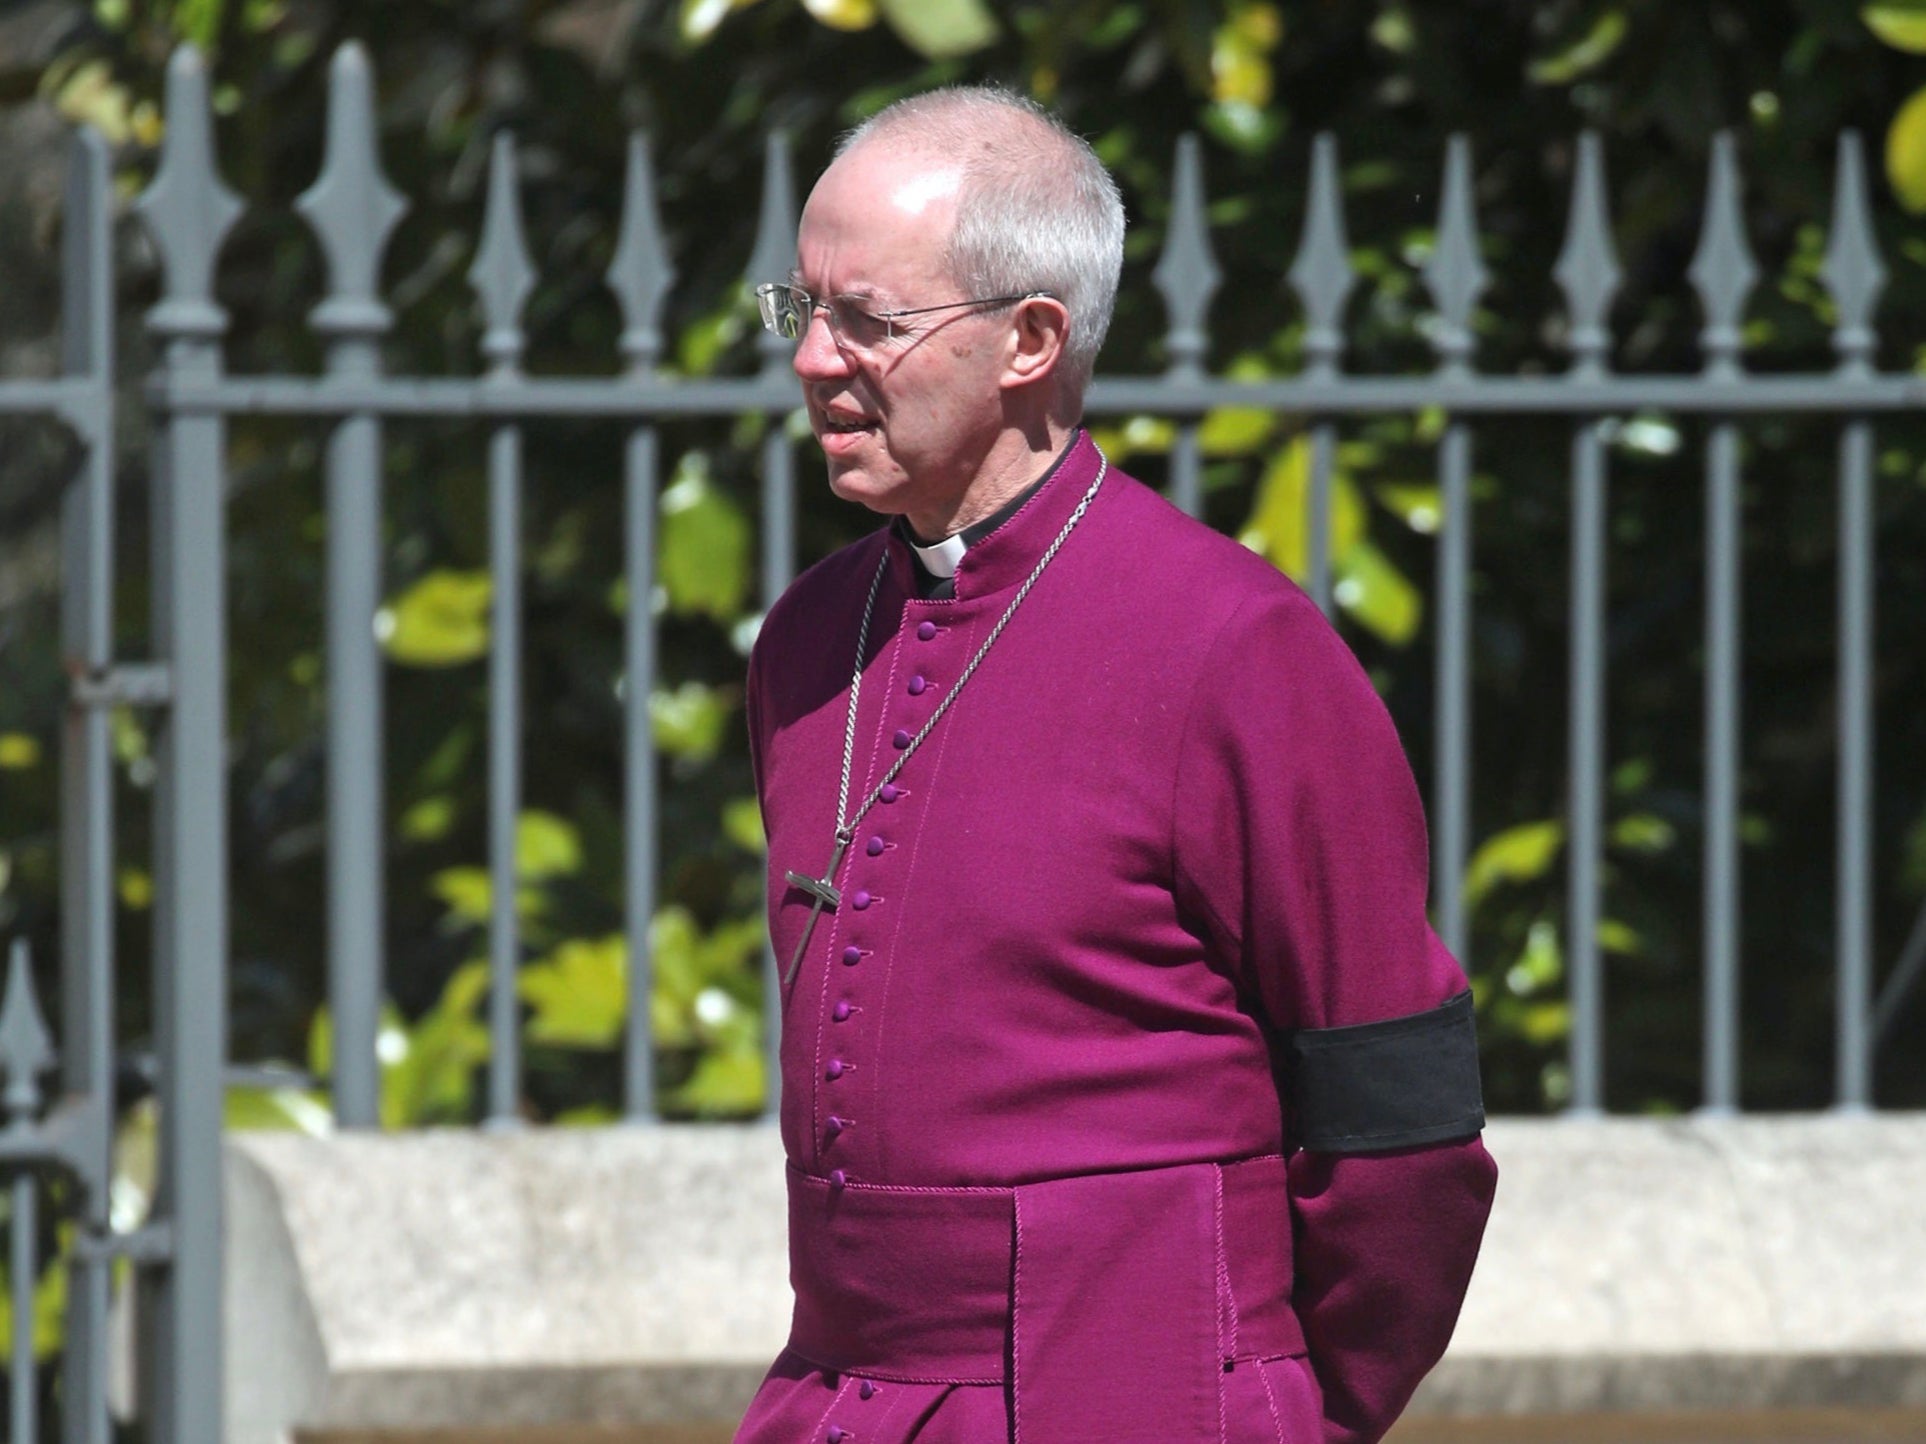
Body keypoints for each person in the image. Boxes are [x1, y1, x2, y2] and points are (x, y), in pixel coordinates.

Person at [736, 87, 1497, 1444]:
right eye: (803, 310)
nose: (813, 360)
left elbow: (1398, 1117)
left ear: (1029, 339)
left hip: (1144, 1390)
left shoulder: (1236, 648)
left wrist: (1279, 1408)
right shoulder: (804, 638)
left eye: (869, 319)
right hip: (846, 1393)